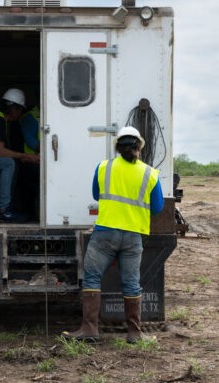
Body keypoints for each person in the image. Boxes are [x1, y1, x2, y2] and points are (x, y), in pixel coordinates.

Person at [62, 125, 164, 344]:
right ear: (139, 148)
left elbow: (96, 194)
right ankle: (135, 334)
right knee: (131, 283)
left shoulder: (103, 168)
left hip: (104, 234)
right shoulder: (150, 174)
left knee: (92, 277)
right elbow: (157, 207)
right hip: (133, 236)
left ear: (118, 147)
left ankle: (89, 329)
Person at [0, 88, 40, 221]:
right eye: (20, 109)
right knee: (9, 163)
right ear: (13, 108)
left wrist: (21, 158)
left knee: (10, 161)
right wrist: (26, 156)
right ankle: (4, 210)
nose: (20, 113)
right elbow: (1, 152)